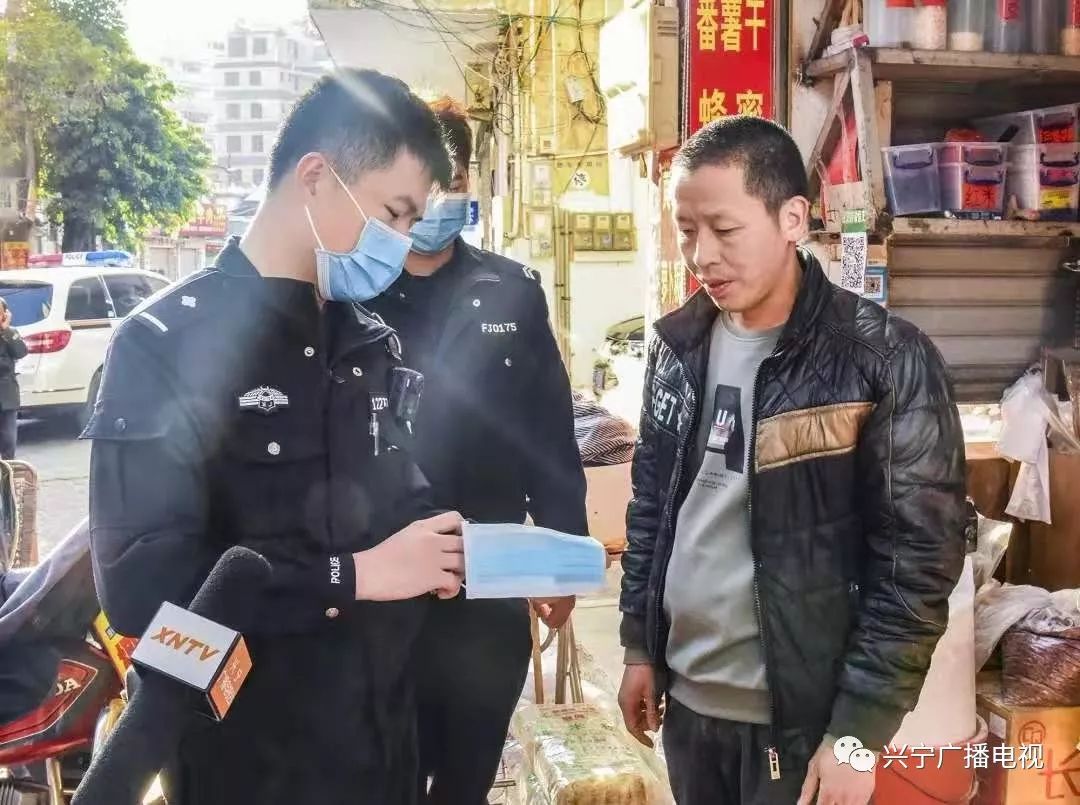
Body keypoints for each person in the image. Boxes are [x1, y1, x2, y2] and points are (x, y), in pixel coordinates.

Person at [83, 69, 467, 805]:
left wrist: (458, 550)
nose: (399, 244)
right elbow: (142, 588)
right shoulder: (163, 344)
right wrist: (351, 576)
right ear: (316, 178)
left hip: (383, 749)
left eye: (412, 224)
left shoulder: (367, 342)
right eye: (393, 213)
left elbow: (398, 505)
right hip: (250, 763)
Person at [616, 116, 967, 805]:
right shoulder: (678, 348)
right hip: (690, 711)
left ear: (793, 219)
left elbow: (917, 565)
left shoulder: (882, 358)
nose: (701, 255)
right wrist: (638, 645)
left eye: (725, 229)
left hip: (804, 727)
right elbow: (653, 507)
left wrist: (859, 734)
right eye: (686, 231)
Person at [368, 97, 588, 805]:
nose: (435, 197)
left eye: (451, 180)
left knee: (469, 775)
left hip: (487, 581)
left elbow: (549, 434)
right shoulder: (353, 295)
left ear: (467, 182)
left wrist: (560, 558)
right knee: (387, 775)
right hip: (381, 587)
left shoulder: (511, 292)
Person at [0, 299, 27, 460]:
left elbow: (21, 352)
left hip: (7, 396)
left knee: (9, 441)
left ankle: (7, 472)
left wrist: (6, 330)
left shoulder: (10, 333)